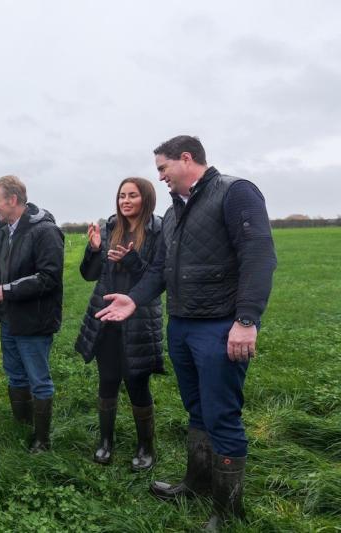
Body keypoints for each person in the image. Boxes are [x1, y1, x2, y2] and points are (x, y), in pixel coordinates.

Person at [96, 136, 277, 528]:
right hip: (181, 325)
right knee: (197, 411)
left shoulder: (235, 192)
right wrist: (134, 299)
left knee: (222, 415)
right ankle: (196, 483)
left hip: (219, 327)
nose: (159, 177)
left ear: (187, 158)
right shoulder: (176, 212)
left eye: (163, 168)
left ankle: (227, 512)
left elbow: (259, 255)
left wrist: (246, 321)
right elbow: (161, 268)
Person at [75, 177, 164, 471]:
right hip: (106, 319)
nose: (125, 201)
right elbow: (89, 275)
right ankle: (105, 441)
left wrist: (132, 261)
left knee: (137, 382)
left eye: (133, 196)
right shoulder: (110, 228)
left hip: (139, 320)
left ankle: (145, 446)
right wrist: (95, 249)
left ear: (146, 199)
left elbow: (156, 278)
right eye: (122, 196)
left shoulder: (158, 231)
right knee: (108, 379)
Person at [0, 175, 64, 453]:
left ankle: (42, 441)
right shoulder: (7, 231)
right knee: (15, 376)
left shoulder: (45, 231)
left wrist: (7, 290)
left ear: (13, 200)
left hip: (34, 320)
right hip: (10, 318)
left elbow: (49, 277)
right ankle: (21, 427)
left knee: (38, 380)